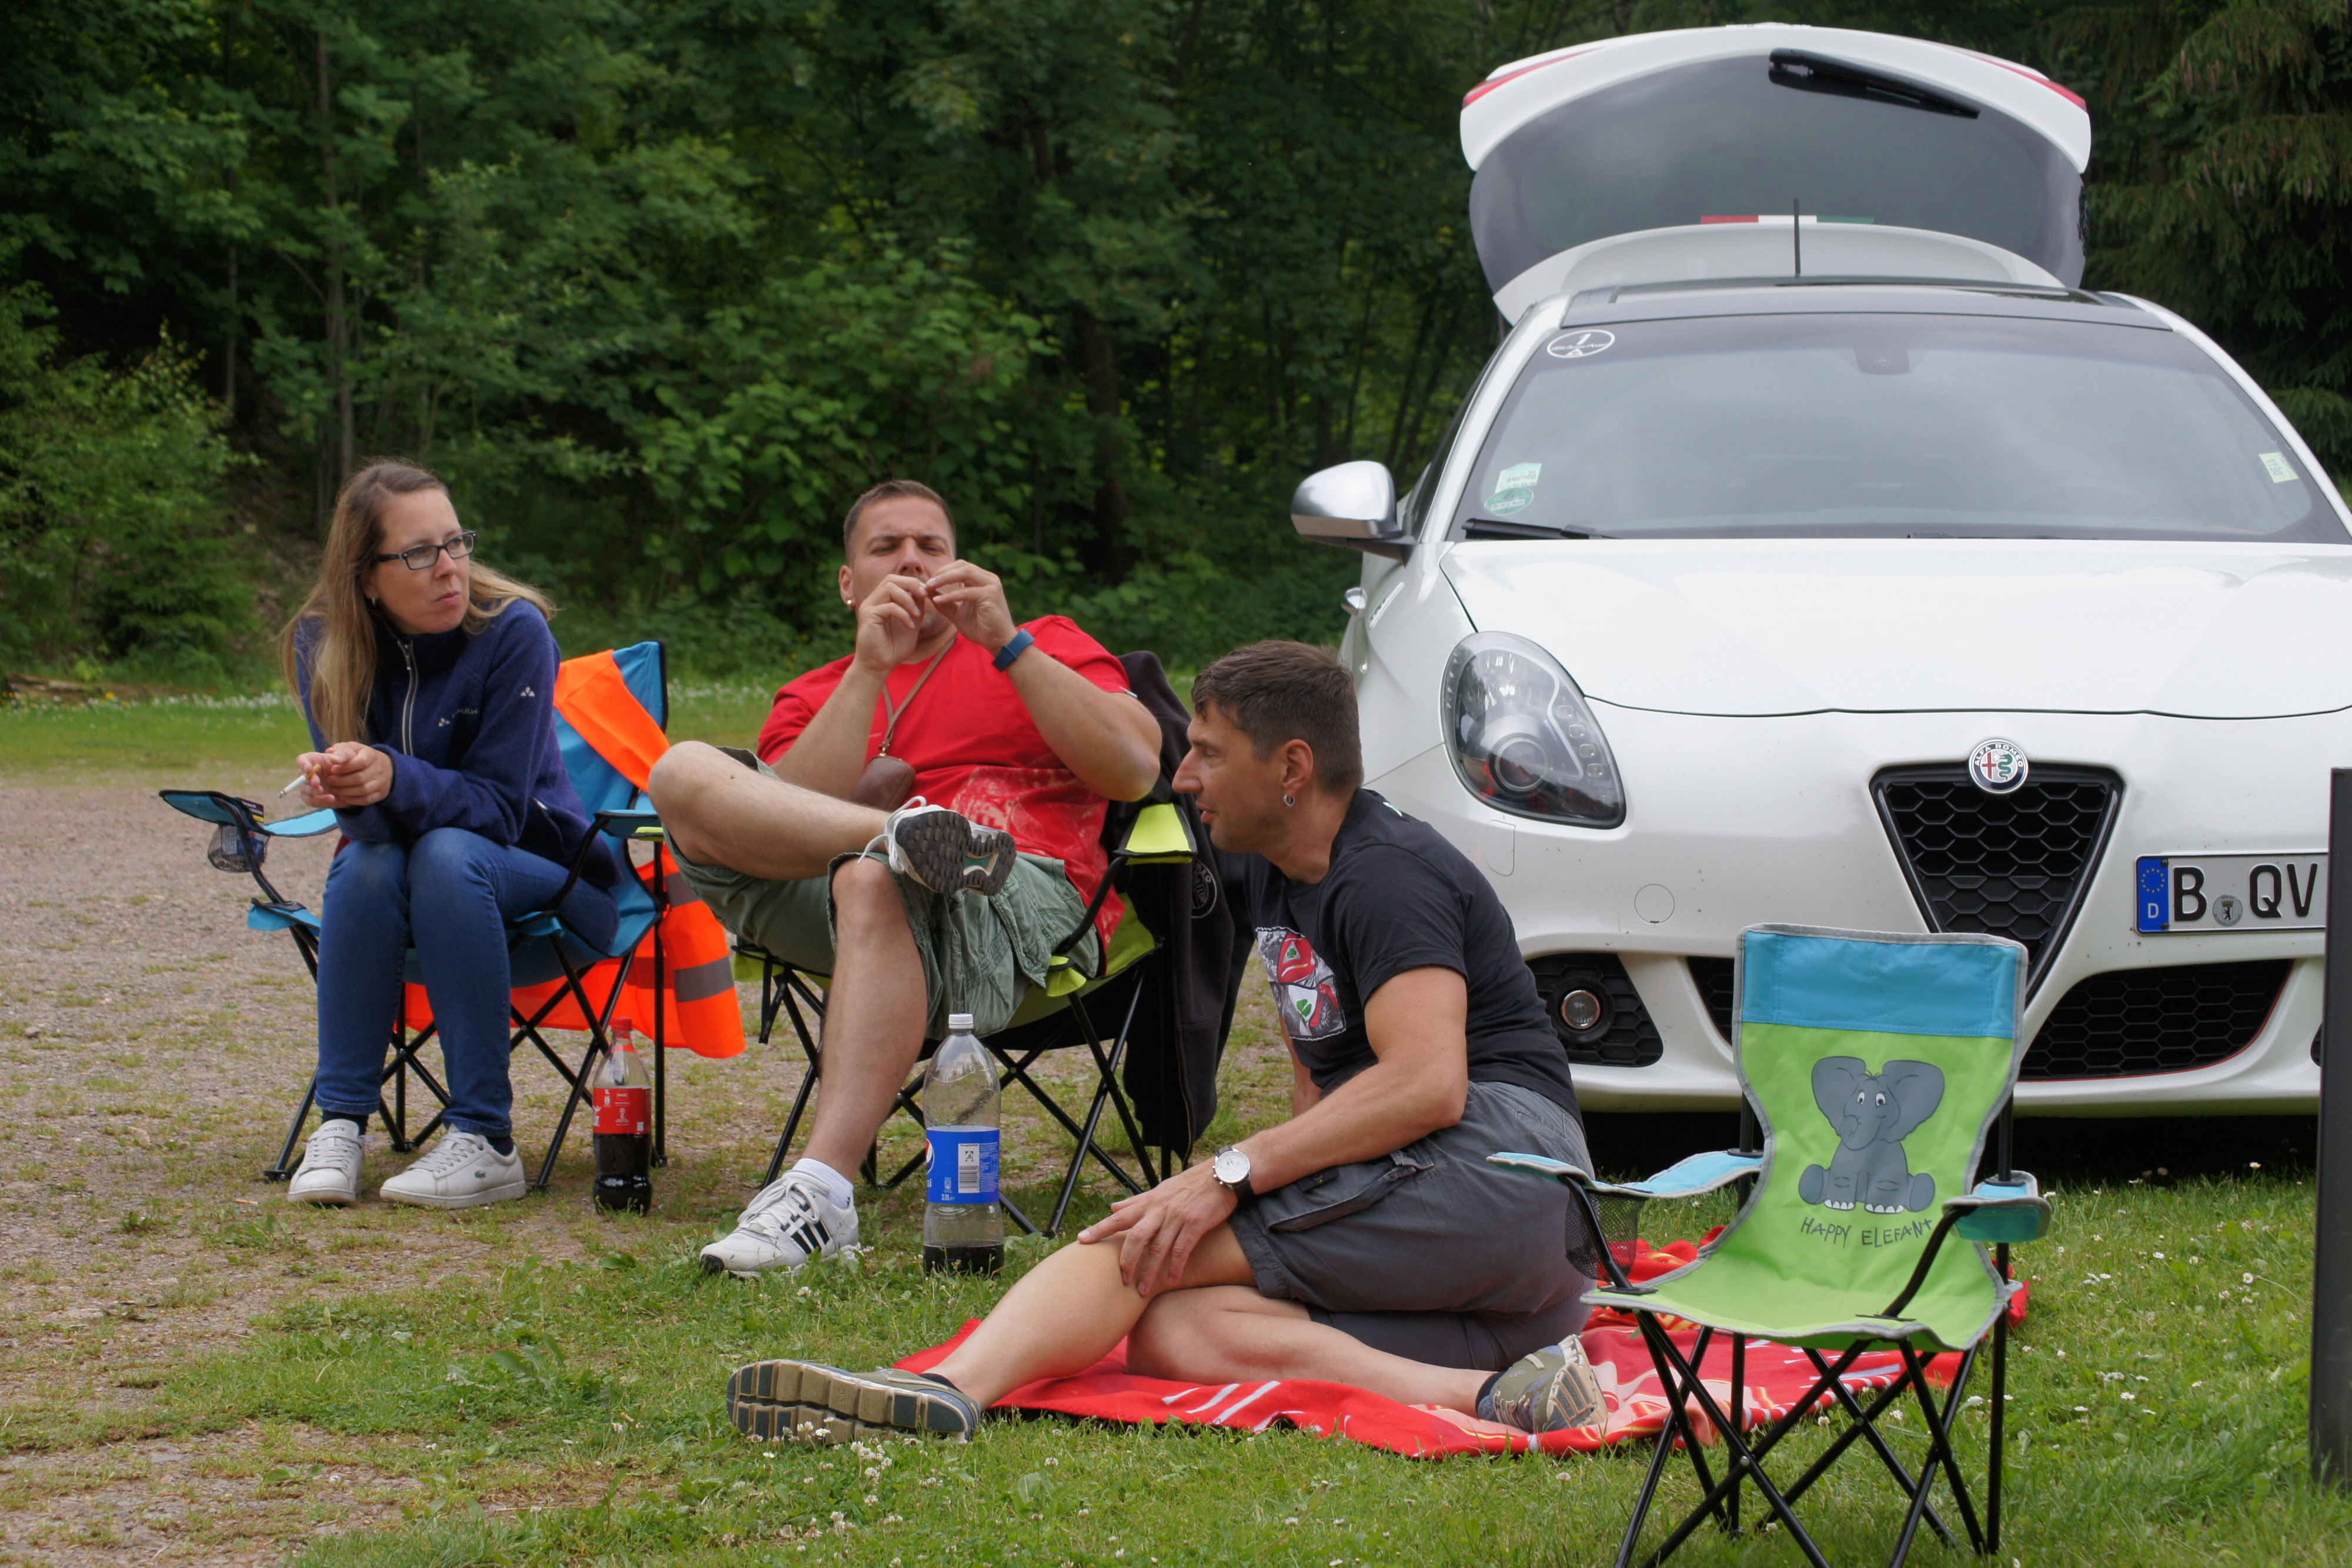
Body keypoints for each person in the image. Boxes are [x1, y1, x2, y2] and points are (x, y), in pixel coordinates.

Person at [721, 640, 1608, 1442]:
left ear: (1293, 767)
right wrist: (1285, 1176)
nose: (1184, 776)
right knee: (1176, 1329)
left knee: (1145, 1236)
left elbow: (1426, 1084)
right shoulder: (1272, 864)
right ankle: (1490, 1392)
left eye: (1210, 752)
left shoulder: (1386, 876)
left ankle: (944, 1390)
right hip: (1510, 1277)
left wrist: (1228, 1175)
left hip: (1502, 1169)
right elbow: (1321, 1071)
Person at [649, 479, 1162, 1276]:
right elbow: (785, 815)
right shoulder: (816, 691)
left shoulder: (1042, 641)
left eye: (931, 544)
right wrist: (866, 671)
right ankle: (902, 834)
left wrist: (1010, 643)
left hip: (1018, 896)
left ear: (961, 563)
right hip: (841, 891)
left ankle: (819, 1192)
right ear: (850, 582)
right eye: (887, 547)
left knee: (869, 880)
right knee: (683, 769)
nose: (913, 560)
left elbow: (1135, 767)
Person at [281, 460, 622, 1209]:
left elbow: (501, 809)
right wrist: (348, 787)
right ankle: (340, 1122)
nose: (449, 570)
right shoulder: (323, 643)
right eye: (418, 553)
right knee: (368, 863)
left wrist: (394, 776)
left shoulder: (511, 632)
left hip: (559, 882)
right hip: (410, 883)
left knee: (445, 851)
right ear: (366, 578)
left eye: (456, 543)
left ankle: (484, 1138)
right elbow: (373, 832)